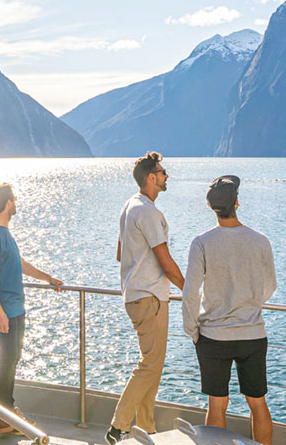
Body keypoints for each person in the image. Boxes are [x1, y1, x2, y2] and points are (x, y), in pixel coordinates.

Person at [182, 175, 276, 444]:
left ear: (211, 207)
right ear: (237, 203)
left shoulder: (201, 242)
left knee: (217, 404)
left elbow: (190, 292)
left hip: (213, 336)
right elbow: (270, 285)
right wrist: (249, 304)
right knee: (258, 403)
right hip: (252, 333)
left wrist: (192, 330)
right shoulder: (260, 240)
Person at [108, 152, 185, 445]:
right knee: (150, 365)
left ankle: (148, 429)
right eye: (163, 171)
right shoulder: (148, 212)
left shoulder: (130, 206)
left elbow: (120, 253)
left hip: (134, 295)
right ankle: (118, 427)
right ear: (151, 178)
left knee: (151, 364)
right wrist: (189, 289)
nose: (166, 175)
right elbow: (165, 260)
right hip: (150, 297)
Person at [0, 183, 63, 435]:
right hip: (4, 310)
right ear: (7, 204)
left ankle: (6, 412)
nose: (16, 203)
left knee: (12, 358)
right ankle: (5, 412)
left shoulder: (5, 233)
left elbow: (20, 263)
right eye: (14, 199)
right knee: (7, 359)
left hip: (15, 308)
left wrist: (48, 278)